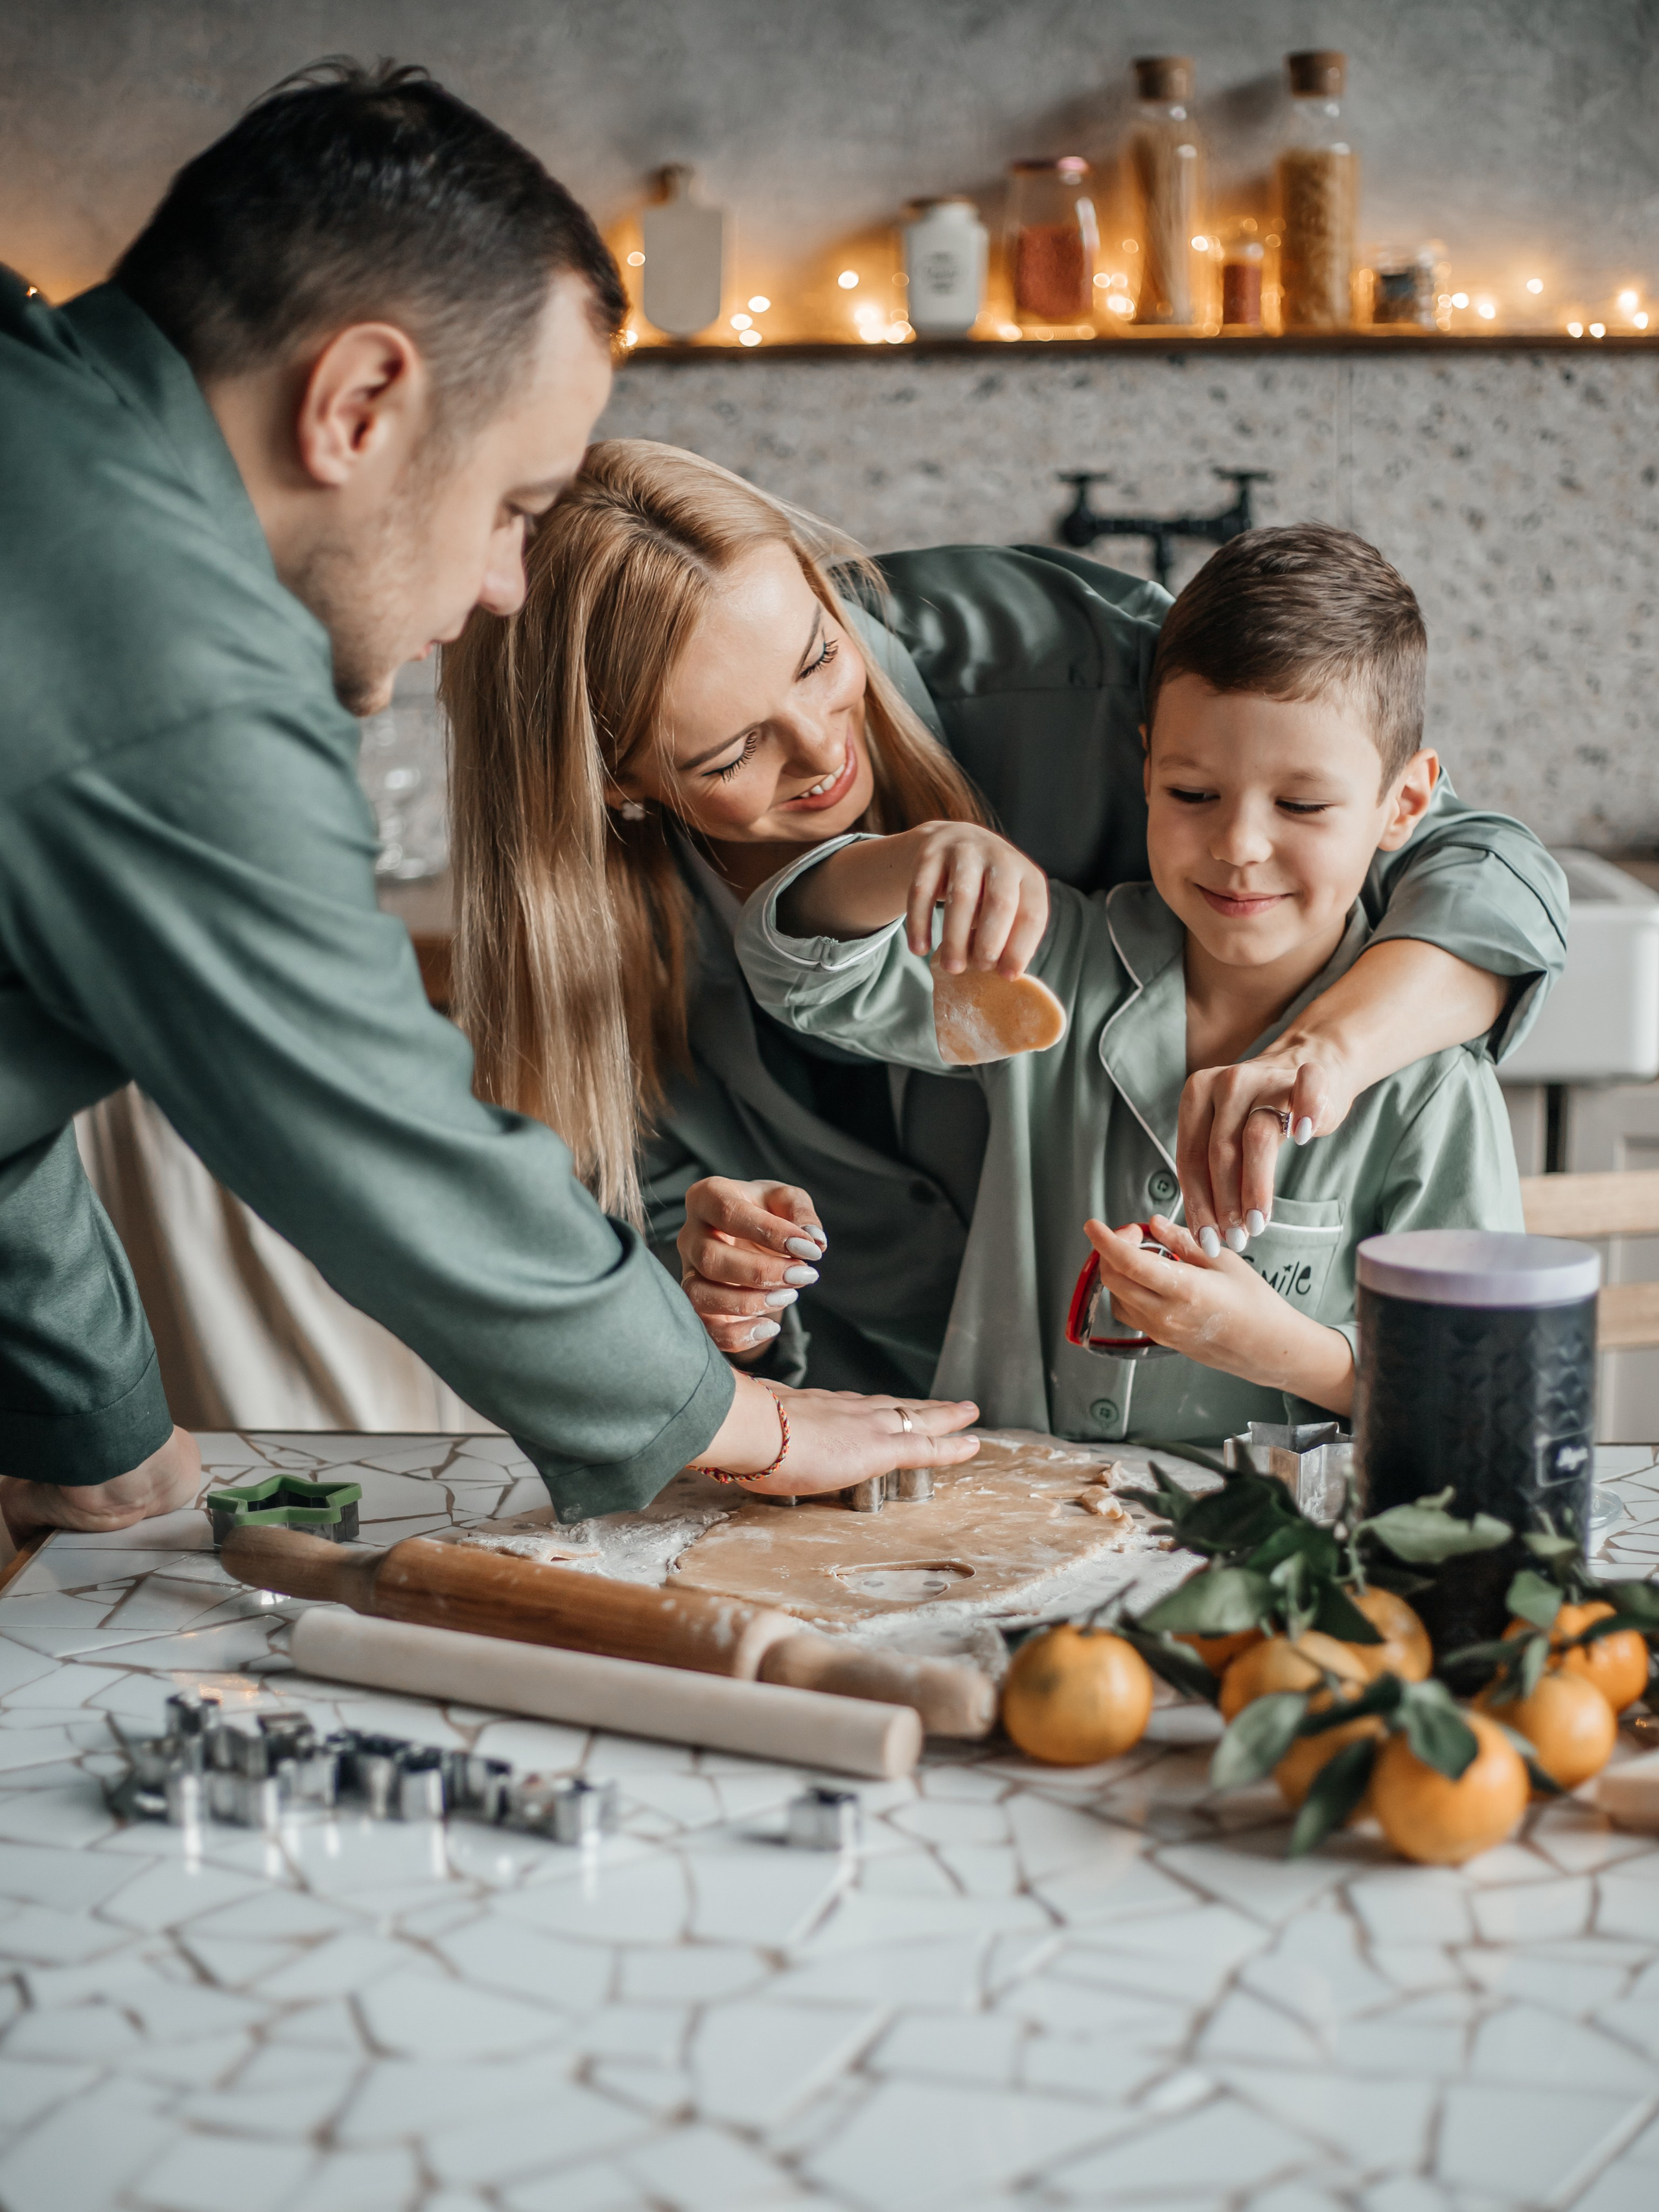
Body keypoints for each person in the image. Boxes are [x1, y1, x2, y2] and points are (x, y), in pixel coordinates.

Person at [0, 60, 979, 1540]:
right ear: (359, 404)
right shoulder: (161, 636)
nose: (506, 585)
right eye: (514, 506)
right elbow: (370, 1127)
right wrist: (739, 1421)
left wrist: (97, 1432)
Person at [442, 443, 1564, 1401]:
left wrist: (1332, 1052)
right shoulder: (578, 945)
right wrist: (720, 1299)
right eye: (731, 752)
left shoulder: (1078, 675)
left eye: (820, 656)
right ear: (615, 783)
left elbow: (1478, 866)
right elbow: (783, 996)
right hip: (861, 1431)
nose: (827, 748)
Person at [734, 524, 1526, 1439]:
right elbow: (804, 979)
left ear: (1406, 803)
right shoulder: (1050, 961)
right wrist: (905, 861)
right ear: (1146, 770)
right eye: (1194, 794)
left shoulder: (1431, 1084)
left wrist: (1280, 1348)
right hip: (1010, 1510)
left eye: (1302, 804)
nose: (1239, 845)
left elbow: (1481, 1398)